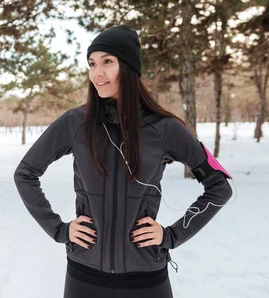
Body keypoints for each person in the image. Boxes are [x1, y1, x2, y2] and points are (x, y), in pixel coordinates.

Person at [14, 25, 233, 298]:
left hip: (146, 281)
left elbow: (219, 186)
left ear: (128, 68)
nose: (97, 72)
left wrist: (171, 236)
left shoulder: (164, 128)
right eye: (92, 63)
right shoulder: (75, 123)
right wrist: (59, 230)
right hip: (84, 276)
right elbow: (25, 173)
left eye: (108, 62)